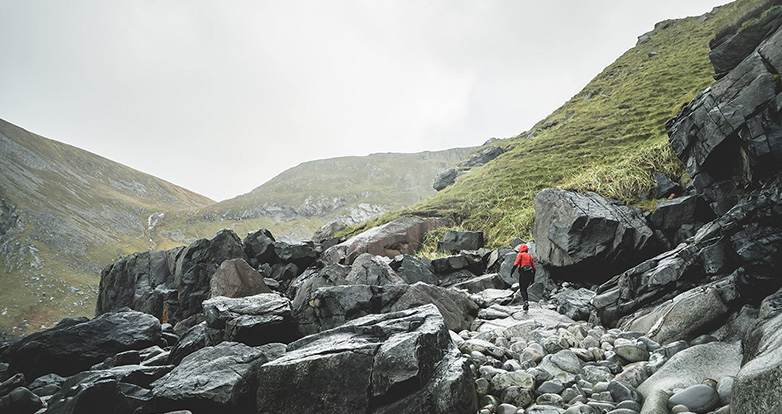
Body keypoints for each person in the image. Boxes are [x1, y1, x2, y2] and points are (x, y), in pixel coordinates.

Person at [511, 243, 536, 311]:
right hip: (530, 274)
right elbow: (534, 268)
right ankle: (526, 302)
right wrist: (533, 279)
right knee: (525, 289)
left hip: (523, 273)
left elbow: (516, 264)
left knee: (522, 289)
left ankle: (526, 302)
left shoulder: (520, 255)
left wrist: (511, 272)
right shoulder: (530, 256)